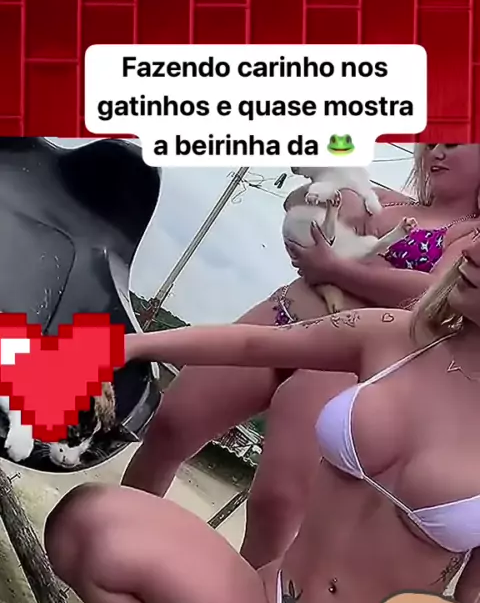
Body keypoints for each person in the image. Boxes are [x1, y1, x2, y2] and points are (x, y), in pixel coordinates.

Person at [44, 232, 480, 603]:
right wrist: (123, 347)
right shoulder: (398, 336)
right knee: (85, 525)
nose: (472, 251)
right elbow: (255, 343)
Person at [122, 144, 480, 570]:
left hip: (343, 362)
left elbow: (434, 292)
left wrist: (336, 268)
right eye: (432, 142)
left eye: (454, 145)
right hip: (283, 315)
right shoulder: (383, 199)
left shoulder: (470, 237)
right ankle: (119, 538)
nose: (437, 152)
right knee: (172, 422)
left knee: (277, 503)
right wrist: (309, 208)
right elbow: (303, 196)